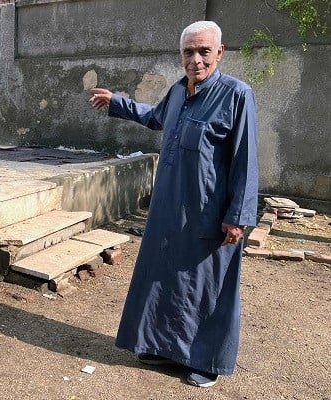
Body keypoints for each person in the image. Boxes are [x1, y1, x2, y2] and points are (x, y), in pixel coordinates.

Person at [89, 21, 259, 388]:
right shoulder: (179, 91)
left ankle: (204, 360)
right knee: (163, 277)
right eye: (188, 52)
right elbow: (155, 117)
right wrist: (117, 101)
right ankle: (160, 346)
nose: (195, 60)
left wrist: (238, 217)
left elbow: (246, 159)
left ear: (219, 52)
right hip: (169, 207)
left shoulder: (236, 95)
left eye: (203, 51)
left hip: (209, 213)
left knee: (206, 285)